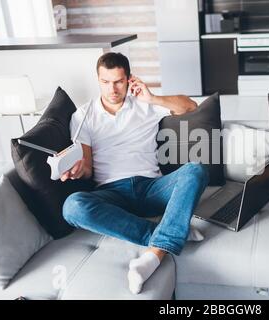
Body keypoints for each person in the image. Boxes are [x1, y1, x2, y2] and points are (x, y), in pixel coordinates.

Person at [62, 52, 209, 294]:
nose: (112, 89)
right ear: (98, 79)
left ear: (129, 79)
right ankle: (169, 234)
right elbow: (87, 168)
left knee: (196, 169)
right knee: (72, 207)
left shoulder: (144, 104)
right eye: (105, 82)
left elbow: (191, 106)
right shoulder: (83, 115)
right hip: (112, 193)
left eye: (118, 81)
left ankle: (154, 253)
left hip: (152, 188)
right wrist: (78, 170)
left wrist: (153, 98)